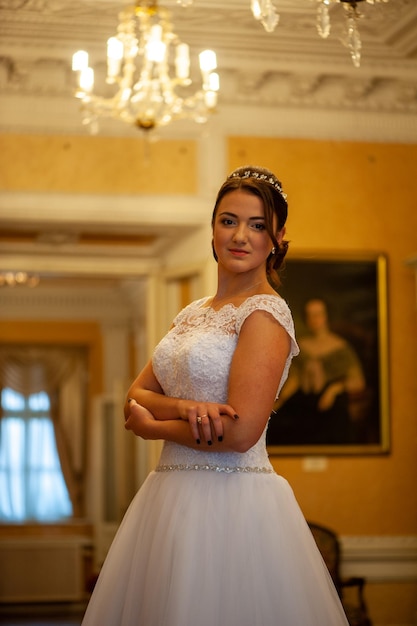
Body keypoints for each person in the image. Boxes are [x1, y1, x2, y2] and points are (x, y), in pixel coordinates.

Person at [81, 166, 349, 626]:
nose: (240, 235)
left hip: (234, 503)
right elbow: (136, 392)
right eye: (228, 221)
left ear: (278, 238)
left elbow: (242, 431)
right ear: (212, 230)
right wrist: (187, 407)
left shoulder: (266, 314)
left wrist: (153, 427)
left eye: (257, 224)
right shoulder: (191, 314)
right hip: (165, 500)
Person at [268, 297, 366, 445]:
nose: (314, 319)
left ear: (326, 316)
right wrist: (279, 402)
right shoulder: (301, 346)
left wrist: (334, 389)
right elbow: (295, 379)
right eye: (310, 315)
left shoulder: (341, 348)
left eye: (318, 314)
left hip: (331, 403)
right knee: (280, 424)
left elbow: (357, 381)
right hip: (305, 401)